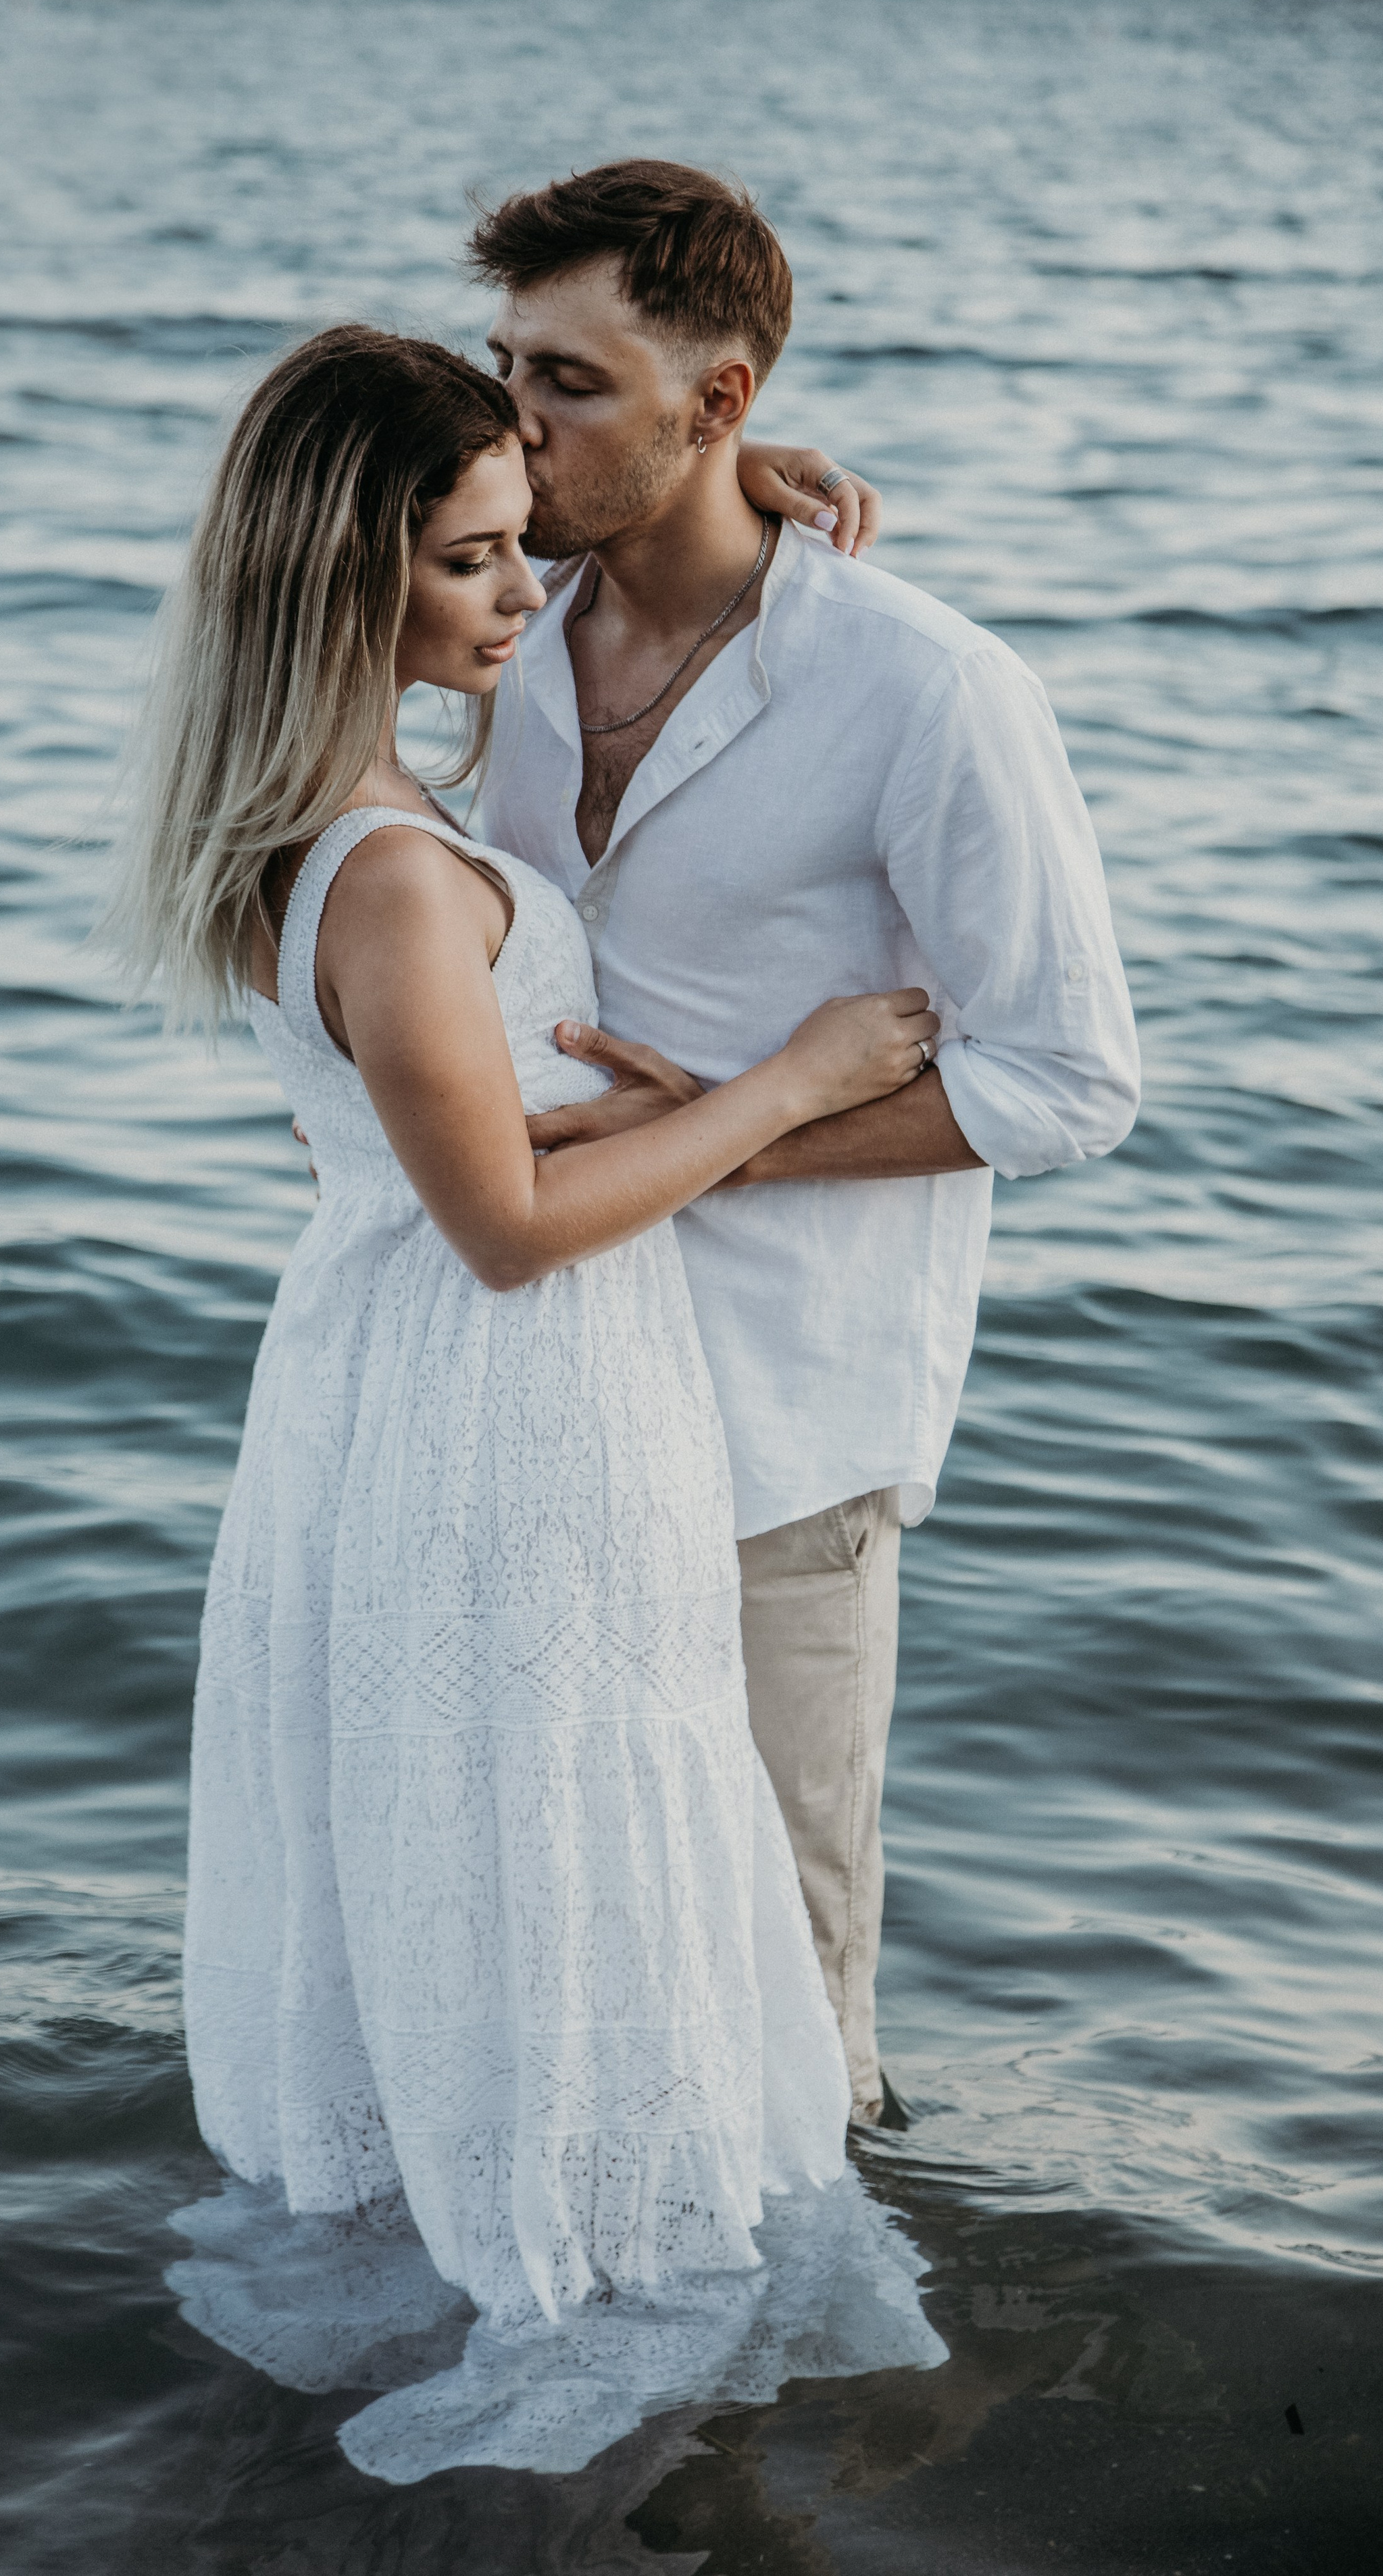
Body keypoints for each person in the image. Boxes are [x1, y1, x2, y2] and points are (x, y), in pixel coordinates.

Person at [107, 326, 945, 2481]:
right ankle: (575, 2257)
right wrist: (797, 1083)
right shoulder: (389, 873)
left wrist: (757, 491)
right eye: (478, 564)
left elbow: (471, 1159)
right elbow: (501, 1222)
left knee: (515, 1818)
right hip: (500, 1393)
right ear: (353, 584)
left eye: (520, 545)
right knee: (561, 1816)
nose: (528, 590)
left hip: (420, 1387)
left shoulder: (342, 809)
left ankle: (507, 2197)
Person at [468, 161, 1141, 2131]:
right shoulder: (493, 619)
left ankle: (793, 2425)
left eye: (572, 384)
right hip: (529, 1395)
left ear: (723, 402)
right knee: (563, 1961)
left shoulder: (924, 688)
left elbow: (1067, 1080)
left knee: (783, 2007)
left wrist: (738, 1141)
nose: (516, 423)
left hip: (778, 1439)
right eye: (505, 369)